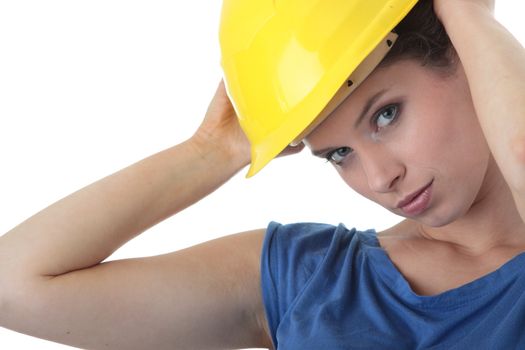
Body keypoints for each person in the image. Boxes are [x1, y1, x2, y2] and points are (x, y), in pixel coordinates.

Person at [1, 0, 524, 349]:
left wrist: (466, 14)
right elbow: (14, 284)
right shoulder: (312, 278)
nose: (379, 177)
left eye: (386, 114)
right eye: (338, 153)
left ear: (460, 55)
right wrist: (211, 151)